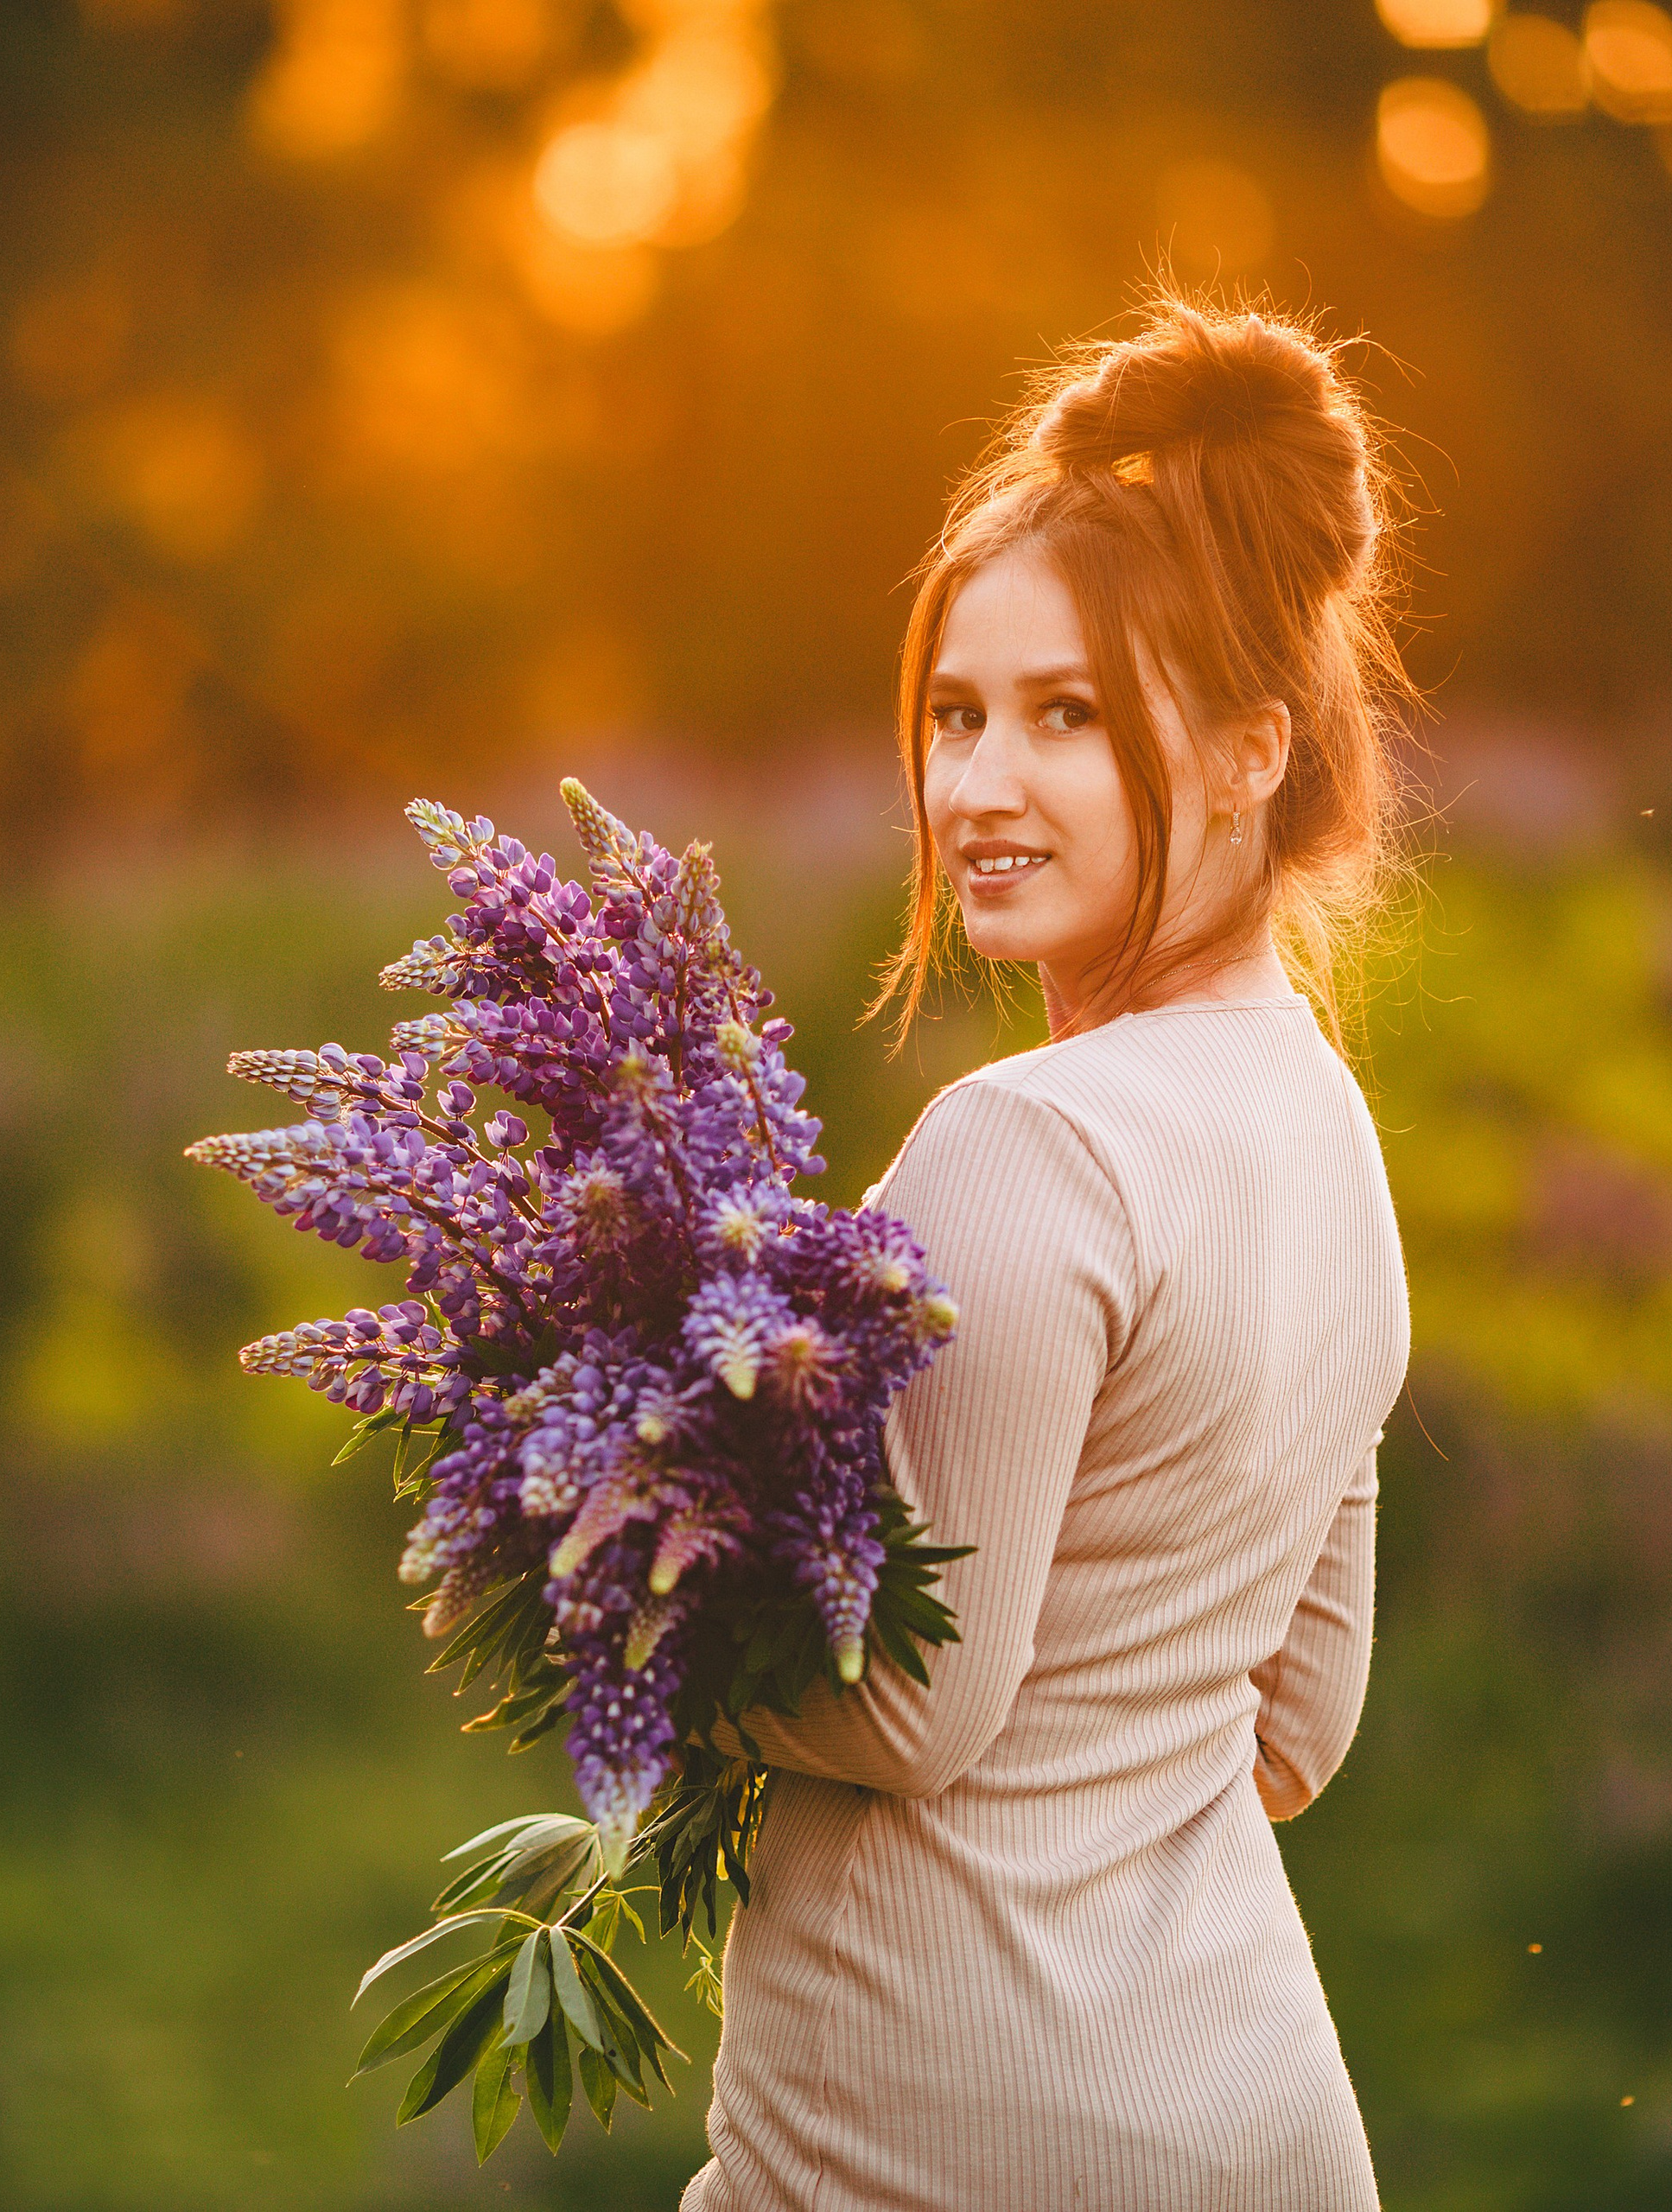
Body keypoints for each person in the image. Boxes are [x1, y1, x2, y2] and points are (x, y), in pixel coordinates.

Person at [680, 297, 1415, 2212]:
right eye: (953, 710)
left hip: (939, 2129)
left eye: (1065, 714)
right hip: (1248, 2104)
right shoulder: (1326, 1128)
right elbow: (1296, 1719)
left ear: (1252, 747)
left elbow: (907, 1706)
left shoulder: (1029, 1144)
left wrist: (625, 1572)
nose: (976, 784)